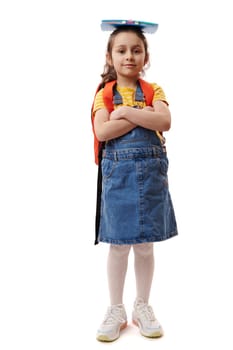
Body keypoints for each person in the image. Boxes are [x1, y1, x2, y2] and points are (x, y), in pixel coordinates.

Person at [91, 20, 178, 342]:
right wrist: (140, 115)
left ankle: (143, 304)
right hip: (119, 176)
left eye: (137, 50)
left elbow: (164, 121)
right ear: (110, 56)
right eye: (122, 50)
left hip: (151, 176)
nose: (130, 56)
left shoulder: (155, 90)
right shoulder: (105, 93)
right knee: (118, 246)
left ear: (146, 55)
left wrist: (124, 113)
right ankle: (116, 308)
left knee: (144, 245)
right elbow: (103, 131)